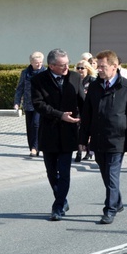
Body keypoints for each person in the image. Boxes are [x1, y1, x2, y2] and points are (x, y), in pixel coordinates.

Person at [79, 50, 127, 224]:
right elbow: (87, 114)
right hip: (98, 139)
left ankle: (110, 209)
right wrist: (83, 140)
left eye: (102, 66)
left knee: (112, 174)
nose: (98, 69)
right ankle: (118, 202)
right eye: (97, 66)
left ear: (114, 67)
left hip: (118, 139)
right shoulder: (94, 86)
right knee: (106, 174)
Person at [30, 49, 85, 221]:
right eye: (62, 65)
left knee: (65, 172)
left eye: (68, 63)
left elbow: (82, 101)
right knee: (52, 172)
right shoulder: (38, 80)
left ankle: (58, 205)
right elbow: (38, 104)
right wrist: (59, 114)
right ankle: (61, 198)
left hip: (69, 132)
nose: (66, 67)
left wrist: (85, 125)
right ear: (51, 65)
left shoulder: (75, 77)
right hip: (49, 132)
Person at [13, 51, 46, 156]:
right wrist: (17, 102)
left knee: (36, 124)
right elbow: (20, 88)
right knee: (30, 126)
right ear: (31, 62)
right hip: (28, 104)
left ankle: (35, 147)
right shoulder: (25, 73)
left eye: (41, 62)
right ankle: (32, 146)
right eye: (37, 63)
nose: (39, 64)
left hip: (40, 104)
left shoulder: (45, 72)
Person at [74, 60, 97, 162]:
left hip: (89, 109)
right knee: (78, 130)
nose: (80, 70)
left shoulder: (92, 80)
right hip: (78, 108)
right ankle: (78, 152)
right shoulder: (74, 80)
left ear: (87, 69)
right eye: (78, 68)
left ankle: (89, 151)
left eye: (82, 68)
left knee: (89, 131)